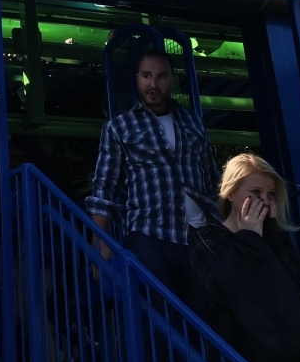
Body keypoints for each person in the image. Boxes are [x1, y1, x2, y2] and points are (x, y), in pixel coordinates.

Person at [85, 48, 220, 307]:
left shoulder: (194, 123)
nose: (153, 84)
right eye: (147, 76)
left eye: (161, 76)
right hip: (149, 234)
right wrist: (99, 245)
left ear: (172, 79)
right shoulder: (119, 127)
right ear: (137, 78)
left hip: (199, 233)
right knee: (162, 317)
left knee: (207, 314)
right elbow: (104, 188)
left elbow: (212, 176)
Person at [188, 153, 300, 362]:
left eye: (270, 194)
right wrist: (249, 239)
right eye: (255, 192)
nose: (264, 200)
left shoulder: (276, 239)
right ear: (231, 192)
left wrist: (270, 237)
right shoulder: (207, 238)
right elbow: (231, 292)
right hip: (243, 360)